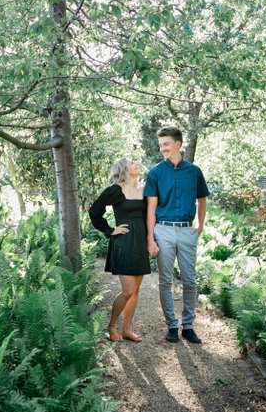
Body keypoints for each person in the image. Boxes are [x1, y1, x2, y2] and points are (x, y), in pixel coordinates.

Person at [145, 125, 209, 343]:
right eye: (160, 144)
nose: (162, 148)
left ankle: (188, 325)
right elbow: (151, 208)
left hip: (186, 230)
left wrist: (199, 226)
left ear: (177, 144)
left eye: (166, 144)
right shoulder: (154, 173)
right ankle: (172, 325)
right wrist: (150, 238)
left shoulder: (194, 171)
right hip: (162, 229)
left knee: (190, 280)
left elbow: (202, 200)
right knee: (165, 281)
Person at [88, 158, 150, 342]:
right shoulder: (115, 190)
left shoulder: (143, 190)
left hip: (140, 241)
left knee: (136, 289)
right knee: (128, 290)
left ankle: (126, 330)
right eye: (132, 163)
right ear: (123, 168)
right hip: (123, 242)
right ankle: (111, 326)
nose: (136, 164)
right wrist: (109, 230)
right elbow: (94, 211)